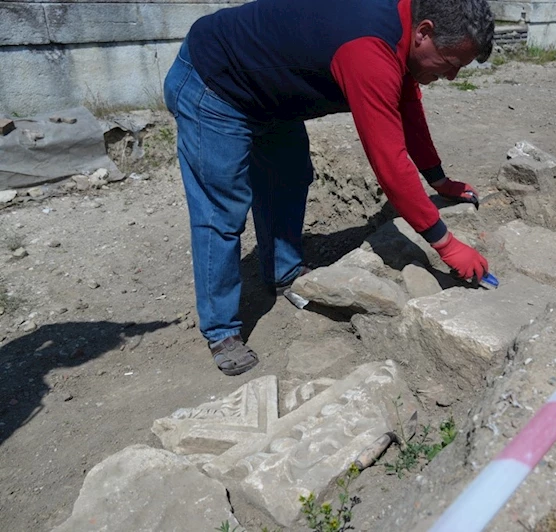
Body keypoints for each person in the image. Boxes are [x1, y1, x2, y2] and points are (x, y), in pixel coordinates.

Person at [164, 0, 494, 376]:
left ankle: (284, 272)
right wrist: (446, 244)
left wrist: (438, 179)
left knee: (289, 179)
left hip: (270, 93)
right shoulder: (368, 47)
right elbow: (389, 162)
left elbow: (408, 108)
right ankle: (221, 330)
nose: (451, 76)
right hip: (215, 83)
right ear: (424, 32)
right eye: (450, 64)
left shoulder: (402, 31)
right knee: (221, 210)